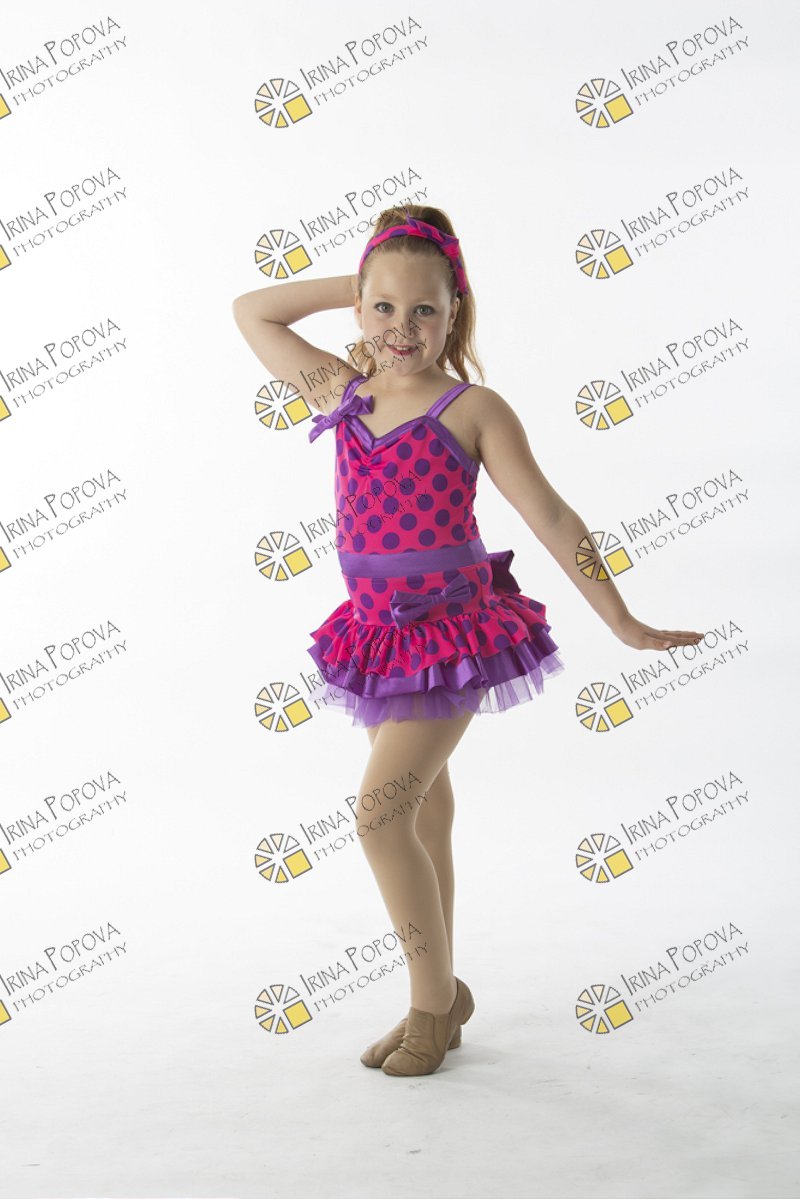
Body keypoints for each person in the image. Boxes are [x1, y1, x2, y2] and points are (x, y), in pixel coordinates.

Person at [232, 204, 704, 1078]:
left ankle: (429, 1005)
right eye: (383, 307)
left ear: (456, 313)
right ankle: (443, 996)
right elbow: (252, 310)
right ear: (359, 308)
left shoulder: (472, 407)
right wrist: (370, 278)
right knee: (424, 814)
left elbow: (552, 514)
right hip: (377, 637)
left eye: (426, 309)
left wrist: (620, 618)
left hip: (453, 634)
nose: (401, 327)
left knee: (380, 818)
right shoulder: (342, 390)